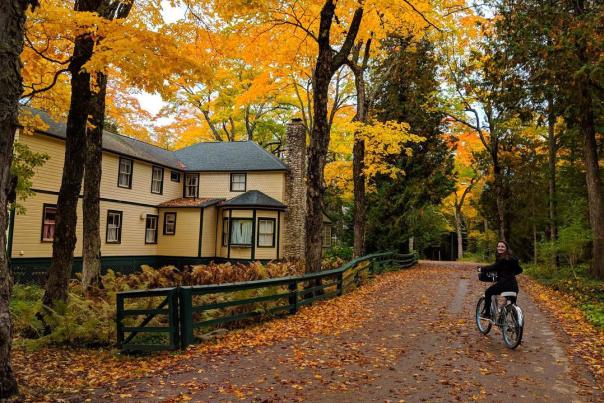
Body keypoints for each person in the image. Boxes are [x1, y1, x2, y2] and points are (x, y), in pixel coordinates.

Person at [479, 240, 523, 318]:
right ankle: (512, 324)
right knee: (511, 304)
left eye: (502, 246)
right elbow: (520, 270)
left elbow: (494, 267)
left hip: (503, 284)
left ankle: (487, 314)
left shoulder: (503, 258)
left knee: (488, 292)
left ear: (506, 248)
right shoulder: (513, 258)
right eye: (498, 246)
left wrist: (481, 269)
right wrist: (510, 274)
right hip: (514, 286)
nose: (500, 248)